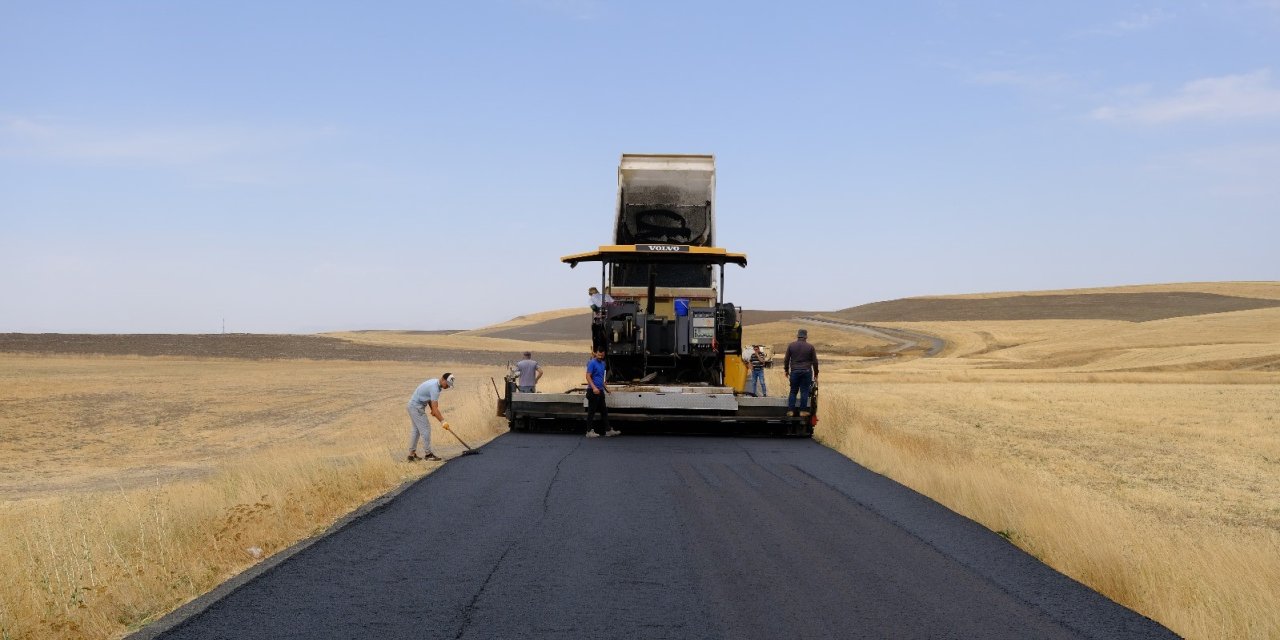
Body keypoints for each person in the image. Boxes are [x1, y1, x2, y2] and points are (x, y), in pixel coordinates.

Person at [406, 372, 454, 461]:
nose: (448, 386)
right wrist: (443, 422)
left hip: (412, 406)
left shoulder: (435, 383)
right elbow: (435, 409)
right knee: (426, 429)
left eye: (449, 385)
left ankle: (411, 455)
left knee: (416, 430)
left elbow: (429, 399)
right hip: (416, 407)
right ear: (443, 379)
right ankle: (428, 454)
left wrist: (432, 409)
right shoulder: (435, 389)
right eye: (447, 384)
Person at [584, 348, 620, 438]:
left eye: (602, 355)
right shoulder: (592, 363)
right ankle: (589, 431)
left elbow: (601, 379)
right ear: (596, 353)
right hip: (593, 391)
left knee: (604, 411)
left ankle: (608, 430)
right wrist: (594, 388)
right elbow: (588, 376)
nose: (600, 357)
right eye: (599, 355)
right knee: (591, 412)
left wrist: (606, 388)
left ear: (604, 355)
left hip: (600, 391)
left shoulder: (603, 364)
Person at [783, 329, 819, 417]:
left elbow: (786, 359)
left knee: (793, 391)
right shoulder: (810, 347)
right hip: (806, 371)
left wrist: (786, 370)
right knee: (804, 391)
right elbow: (815, 362)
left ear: (798, 336)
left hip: (794, 371)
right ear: (806, 336)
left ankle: (790, 411)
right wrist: (816, 373)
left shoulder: (791, 345)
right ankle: (802, 411)